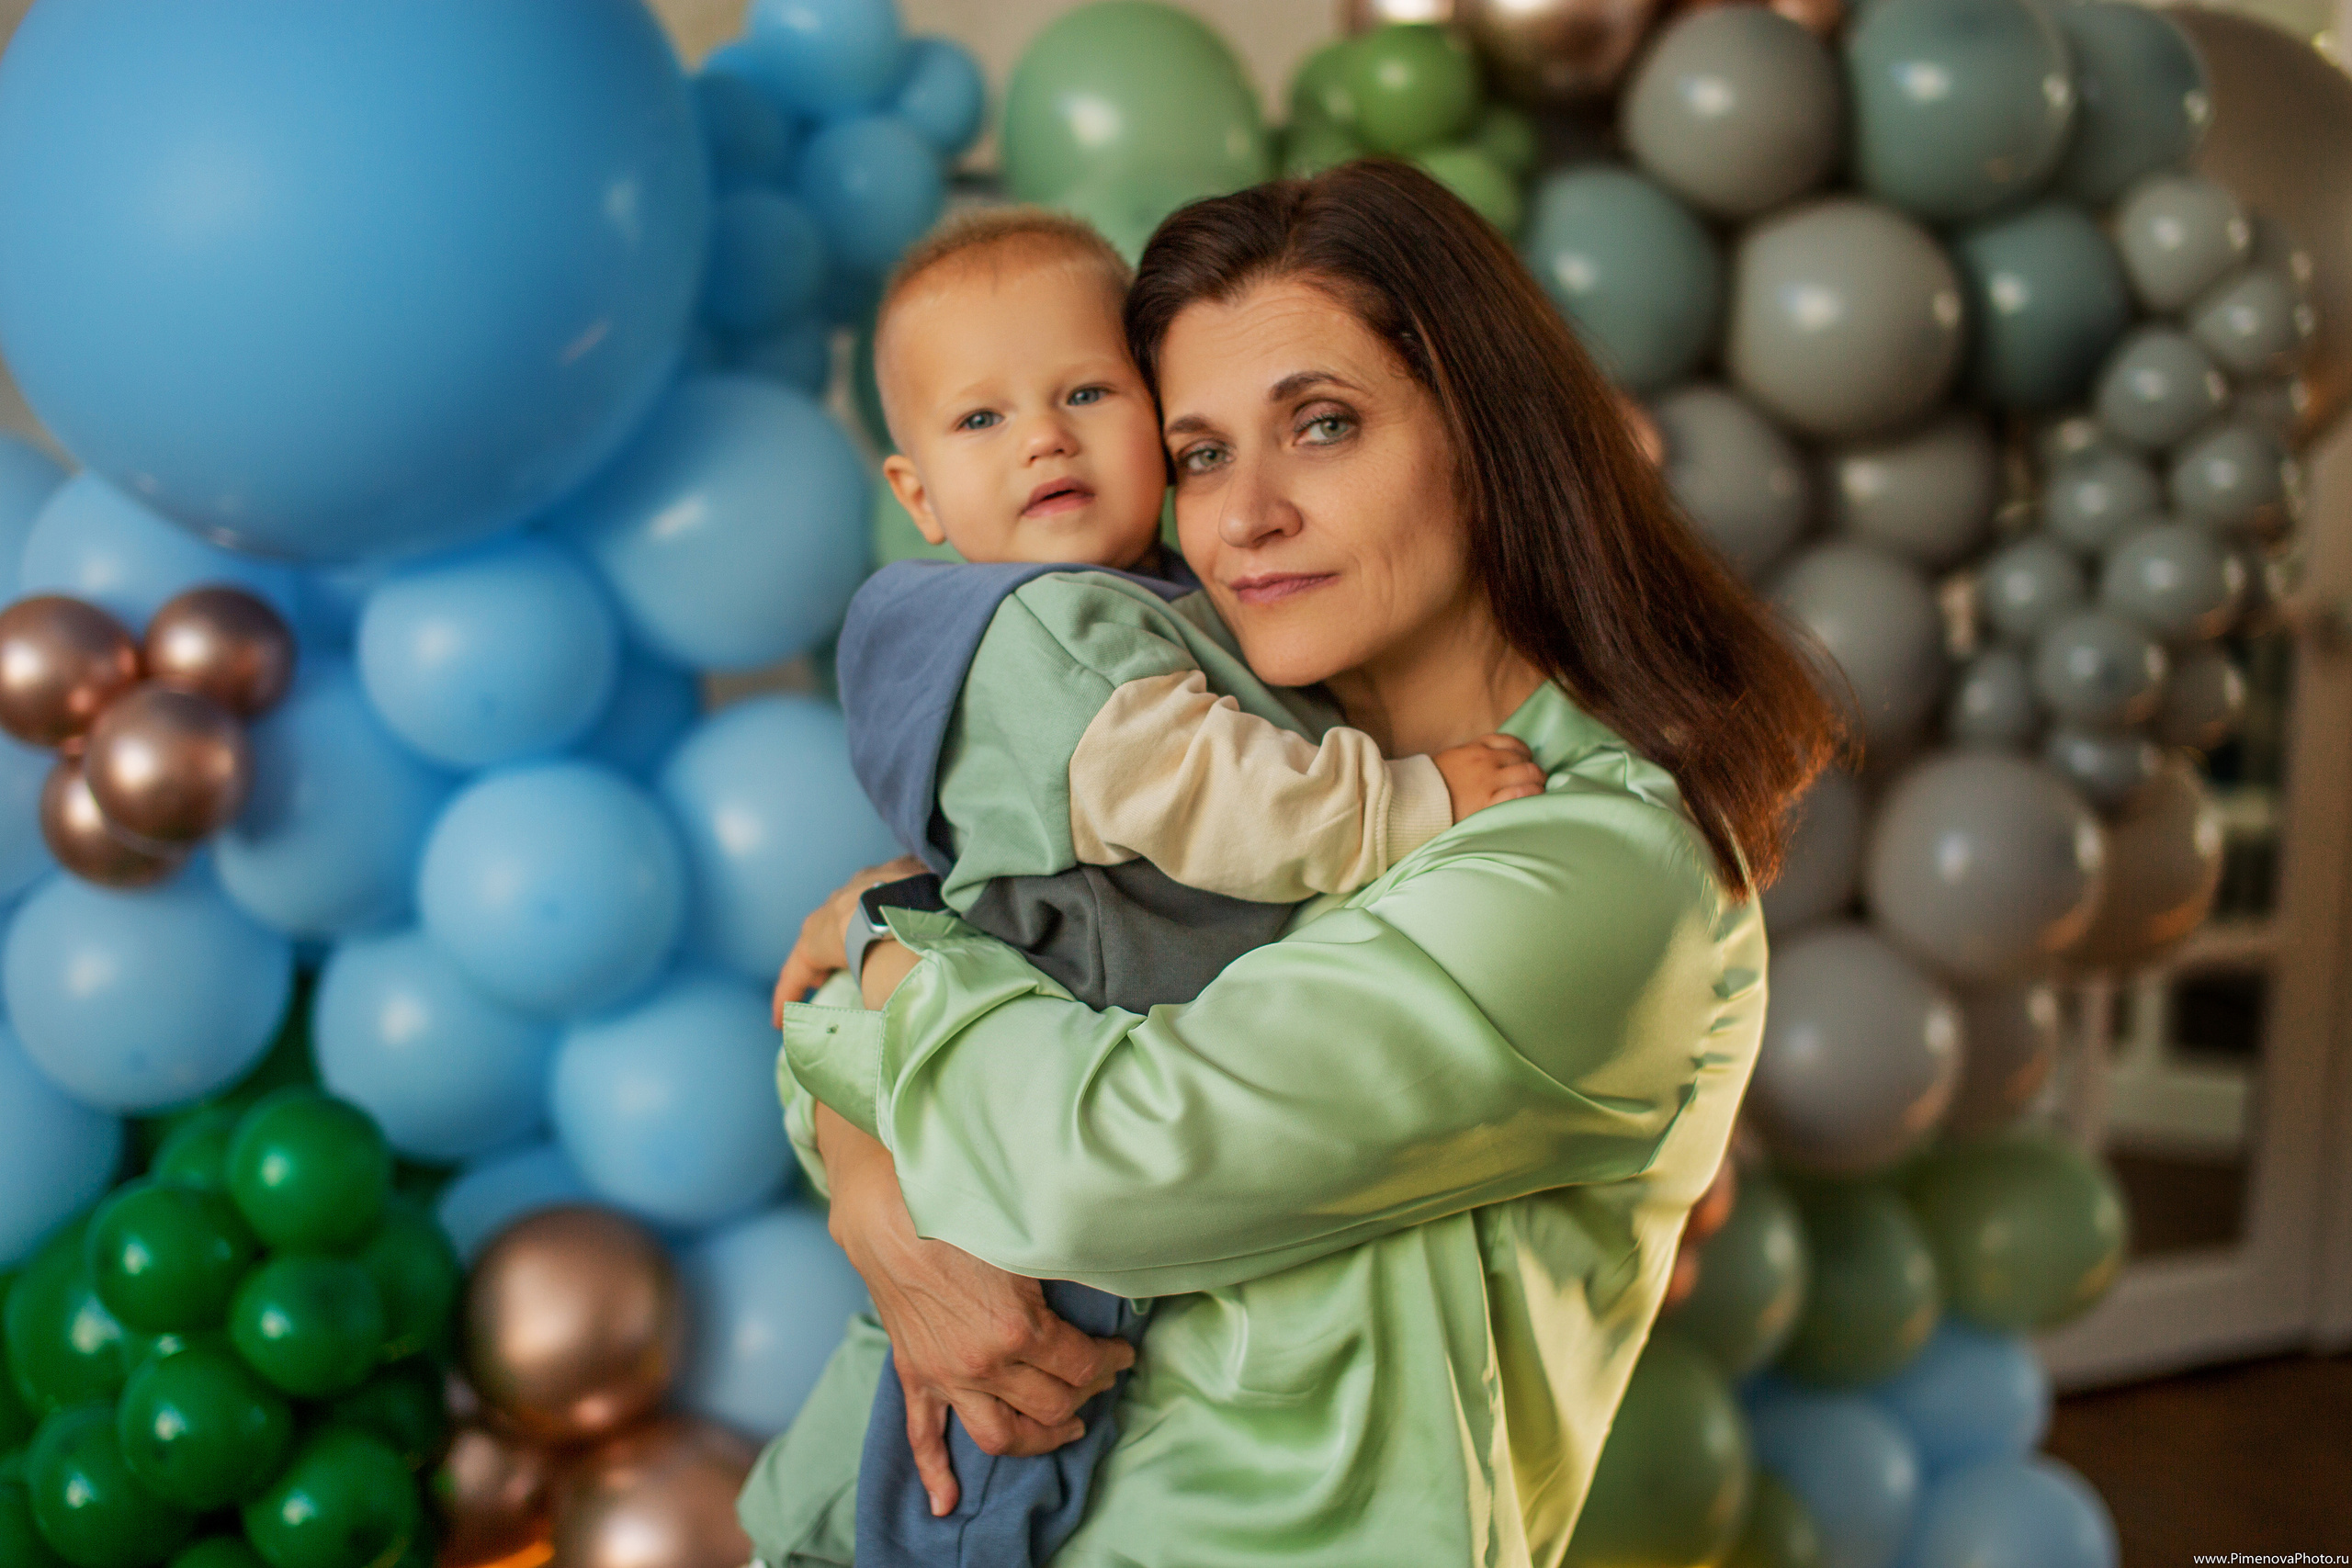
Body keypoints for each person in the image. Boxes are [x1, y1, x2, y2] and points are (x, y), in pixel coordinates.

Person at [743, 160, 1841, 1566]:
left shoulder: (1604, 869)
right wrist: (868, 1166)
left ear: (1491, 437)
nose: (1244, 514)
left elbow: (1087, 1167)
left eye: (1320, 426)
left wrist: (886, 958)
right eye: (1199, 453)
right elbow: (923, 1036)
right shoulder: (1227, 767)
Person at [779, 205, 1548, 1568]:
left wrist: (868, 980)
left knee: (1014, 1414)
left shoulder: (1156, 598)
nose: (1044, 439)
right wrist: (1417, 798)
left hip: (1052, 1105)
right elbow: (1215, 798)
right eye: (982, 423)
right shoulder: (1056, 629)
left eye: (1088, 394)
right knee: (991, 1445)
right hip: (1059, 1075)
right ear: (915, 499)